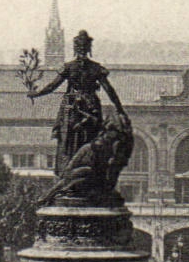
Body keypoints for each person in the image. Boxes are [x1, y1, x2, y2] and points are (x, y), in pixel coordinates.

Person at [27, 30, 129, 166]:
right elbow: (109, 90)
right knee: (95, 134)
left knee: (65, 135)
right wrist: (120, 109)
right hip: (91, 105)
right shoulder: (96, 68)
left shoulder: (69, 67)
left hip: (72, 104)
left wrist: (37, 93)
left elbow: (53, 86)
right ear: (89, 49)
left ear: (75, 48)